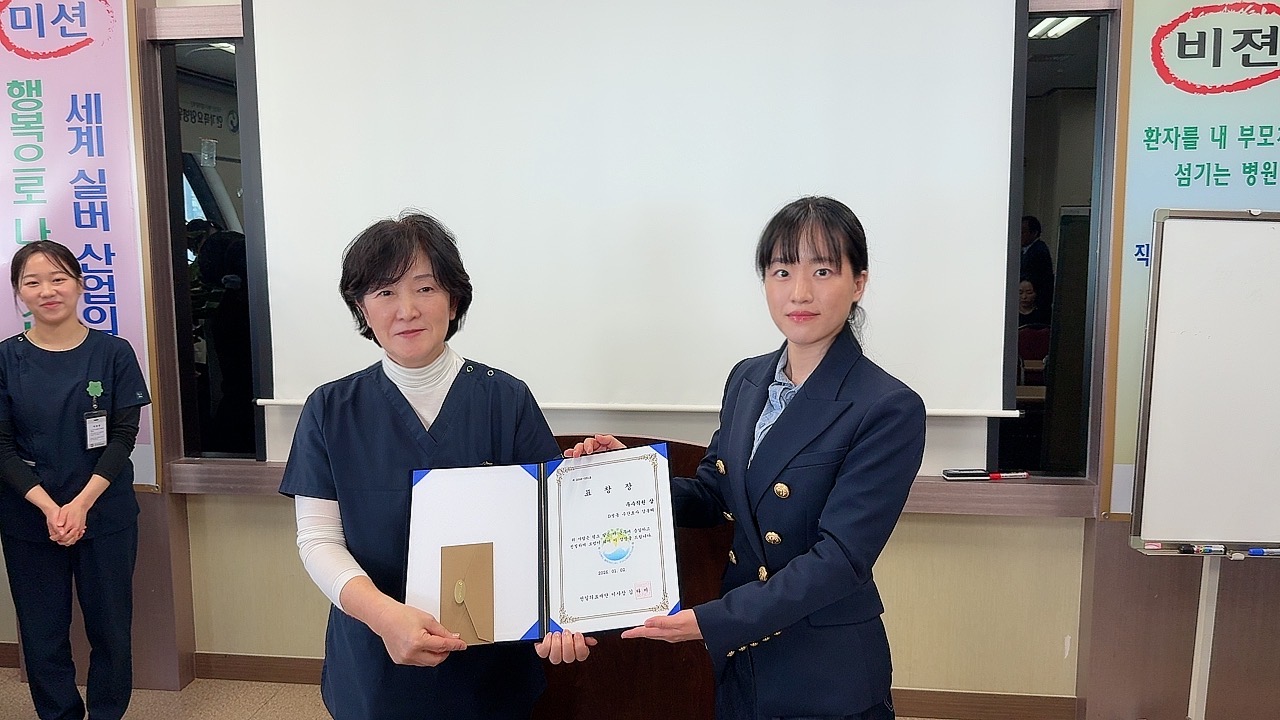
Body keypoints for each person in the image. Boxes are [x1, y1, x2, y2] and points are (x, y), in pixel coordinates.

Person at [568, 197, 926, 719]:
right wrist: (629, 477)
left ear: (859, 282)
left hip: (824, 670)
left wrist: (713, 620)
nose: (799, 292)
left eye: (823, 271)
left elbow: (840, 560)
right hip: (741, 662)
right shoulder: (748, 379)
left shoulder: (888, 406)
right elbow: (715, 494)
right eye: (782, 271)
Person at [278, 212, 593, 720]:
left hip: (491, 665)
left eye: (425, 288)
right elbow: (318, 540)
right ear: (361, 308)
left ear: (453, 299)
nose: (407, 310)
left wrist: (563, 615)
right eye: (384, 292)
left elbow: (550, 529)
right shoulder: (330, 410)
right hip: (376, 658)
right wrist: (386, 617)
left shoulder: (505, 399)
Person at [0, 240, 151, 720]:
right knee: (42, 632)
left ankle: (107, 713)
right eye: (33, 282)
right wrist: (50, 508)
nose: (47, 290)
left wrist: (81, 504)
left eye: (59, 278)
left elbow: (123, 436)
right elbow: (1, 447)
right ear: (19, 292)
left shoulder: (113, 352)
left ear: (80, 284)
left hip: (104, 512)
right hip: (28, 517)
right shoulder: (5, 359)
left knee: (111, 629)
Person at [1020, 215, 1055, 312]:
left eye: (1023, 232)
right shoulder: (1023, 250)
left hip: (1036, 306)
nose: (1019, 235)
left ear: (1034, 233)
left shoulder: (1039, 251)